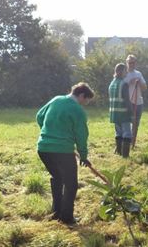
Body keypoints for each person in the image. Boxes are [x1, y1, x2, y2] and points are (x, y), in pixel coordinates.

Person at [36, 82, 95, 226]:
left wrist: (50, 132)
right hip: (62, 151)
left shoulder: (56, 100)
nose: (85, 104)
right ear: (81, 95)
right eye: (86, 100)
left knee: (57, 178)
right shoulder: (77, 110)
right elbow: (81, 135)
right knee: (71, 184)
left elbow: (39, 116)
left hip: (43, 148)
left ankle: (56, 212)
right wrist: (84, 155)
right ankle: (67, 217)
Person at [109, 63, 133, 158]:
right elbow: (127, 100)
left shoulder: (112, 84)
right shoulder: (124, 84)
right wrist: (131, 113)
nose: (126, 73)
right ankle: (125, 156)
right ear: (120, 71)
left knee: (118, 133)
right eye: (125, 71)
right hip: (123, 113)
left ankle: (119, 152)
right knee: (127, 133)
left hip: (114, 113)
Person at [124, 54, 147, 147]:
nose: (131, 64)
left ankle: (133, 144)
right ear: (127, 63)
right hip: (128, 102)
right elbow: (121, 88)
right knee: (127, 124)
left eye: (133, 62)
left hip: (139, 102)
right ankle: (125, 143)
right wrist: (130, 82)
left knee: (136, 124)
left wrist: (140, 82)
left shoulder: (138, 73)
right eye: (130, 63)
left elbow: (145, 87)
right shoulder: (124, 74)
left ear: (135, 63)